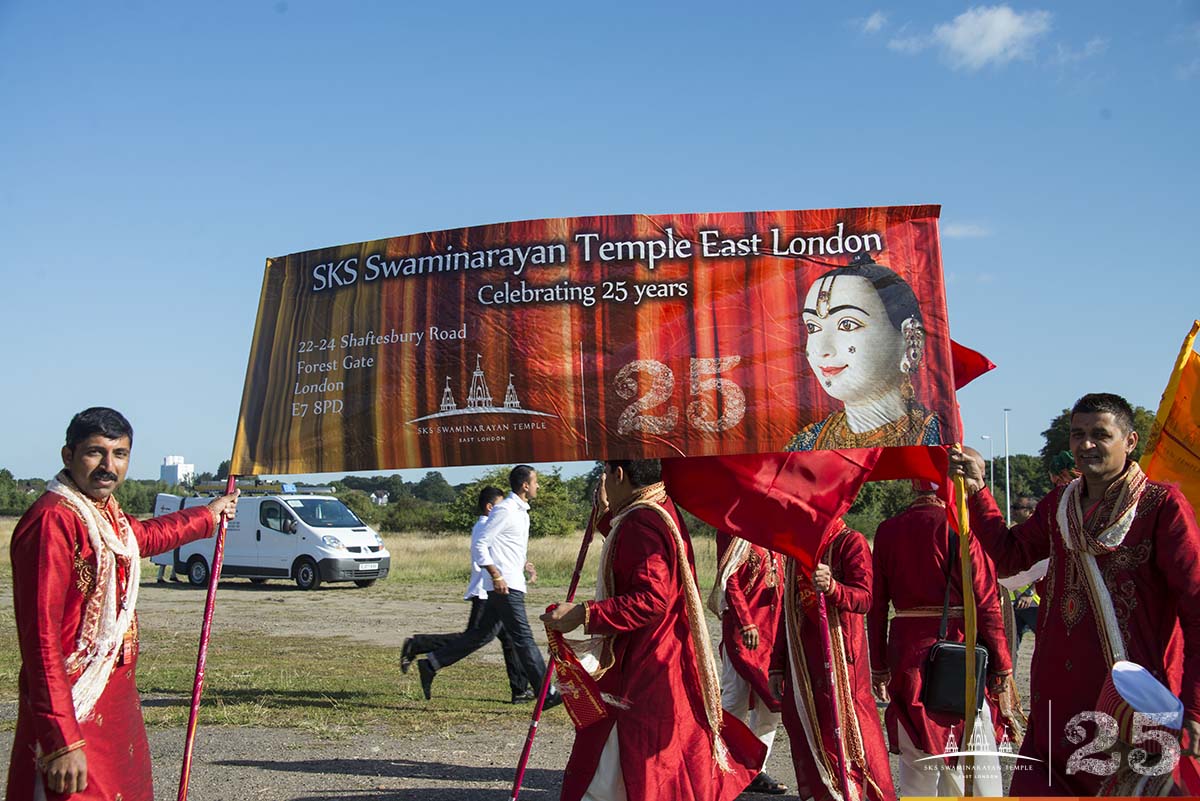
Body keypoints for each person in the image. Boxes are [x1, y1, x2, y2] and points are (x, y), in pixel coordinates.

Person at [949, 392, 1200, 794]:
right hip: (1055, 698)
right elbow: (1012, 556)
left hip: (1128, 703)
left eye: (1100, 435)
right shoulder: (1059, 504)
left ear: (1130, 441)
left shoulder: (1161, 507)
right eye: (1077, 434)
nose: (1085, 445)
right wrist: (978, 489)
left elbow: (1196, 607)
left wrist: (1196, 705)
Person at [6, 407, 239, 801]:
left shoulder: (105, 515)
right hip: (73, 704)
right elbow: (42, 640)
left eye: (120, 454)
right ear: (68, 455)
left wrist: (207, 516)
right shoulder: (53, 521)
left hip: (114, 697)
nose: (108, 466)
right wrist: (62, 740)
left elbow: (143, 536)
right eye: (95, 452)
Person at [541, 459, 764, 801]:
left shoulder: (640, 519)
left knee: (624, 757)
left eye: (606, 473)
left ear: (618, 474)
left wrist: (583, 614)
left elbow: (651, 598)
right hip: (665, 655)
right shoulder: (660, 506)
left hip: (648, 663)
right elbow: (635, 559)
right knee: (647, 758)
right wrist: (604, 517)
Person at [868, 484, 1013, 796]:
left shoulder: (887, 530)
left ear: (912, 485)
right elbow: (986, 602)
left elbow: (876, 605)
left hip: (907, 652)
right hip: (956, 649)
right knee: (972, 747)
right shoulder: (961, 525)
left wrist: (878, 665)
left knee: (915, 752)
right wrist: (1002, 664)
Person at [769, 520, 896, 801]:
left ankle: (863, 793)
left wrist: (834, 588)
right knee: (804, 727)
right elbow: (788, 609)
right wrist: (777, 664)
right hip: (802, 659)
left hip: (842, 659)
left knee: (850, 730)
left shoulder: (851, 542)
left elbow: (865, 598)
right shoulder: (797, 549)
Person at [418, 465, 559, 709]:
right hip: (504, 587)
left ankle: (431, 663)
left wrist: (524, 564)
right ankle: (545, 693)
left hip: (510, 582)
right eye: (535, 482)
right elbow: (481, 544)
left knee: (481, 635)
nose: (538, 486)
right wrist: (496, 575)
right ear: (525, 485)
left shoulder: (521, 512)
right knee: (523, 637)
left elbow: (505, 546)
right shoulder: (505, 509)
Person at [784, 254, 941, 451]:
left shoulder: (938, 438)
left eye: (847, 324)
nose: (822, 350)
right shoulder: (804, 446)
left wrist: (974, 482)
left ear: (910, 340)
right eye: (813, 327)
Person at [400, 486, 533, 702]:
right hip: (487, 592)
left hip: (494, 590)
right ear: (490, 507)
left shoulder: (492, 524)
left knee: (506, 639)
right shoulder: (484, 526)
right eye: (500, 505)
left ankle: (520, 690)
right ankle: (421, 648)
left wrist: (523, 563)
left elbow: (501, 551)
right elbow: (485, 553)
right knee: (475, 638)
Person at [710, 531, 787, 795]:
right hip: (743, 630)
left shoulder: (777, 531)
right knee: (734, 699)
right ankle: (719, 765)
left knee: (771, 703)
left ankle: (755, 769)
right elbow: (729, 579)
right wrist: (745, 621)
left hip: (774, 630)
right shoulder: (733, 529)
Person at [996, 496, 1045, 664]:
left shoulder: (1041, 536)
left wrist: (1029, 592)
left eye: (1017, 507)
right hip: (1011, 602)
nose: (1013, 510)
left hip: (1034, 602)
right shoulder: (1012, 533)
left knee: (1046, 645)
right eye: (1013, 506)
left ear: (1031, 512)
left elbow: (1046, 566)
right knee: (1010, 649)